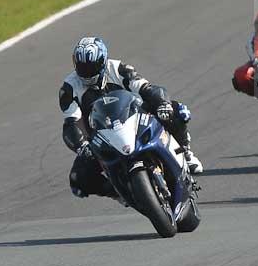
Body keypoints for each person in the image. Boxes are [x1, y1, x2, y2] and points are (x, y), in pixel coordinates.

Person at [59, 37, 204, 200]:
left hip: (134, 118)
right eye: (82, 67)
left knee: (178, 111)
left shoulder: (118, 69)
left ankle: (186, 152)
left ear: (102, 62)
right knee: (78, 180)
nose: (86, 72)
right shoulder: (69, 88)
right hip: (100, 136)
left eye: (91, 67)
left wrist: (163, 103)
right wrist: (82, 146)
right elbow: (71, 123)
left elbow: (146, 88)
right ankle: (117, 192)